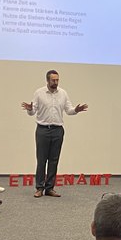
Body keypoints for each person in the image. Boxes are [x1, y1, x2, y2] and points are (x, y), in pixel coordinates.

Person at [21, 69, 88, 198]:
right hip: (43, 130)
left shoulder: (63, 93)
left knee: (54, 160)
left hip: (58, 130)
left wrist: (76, 110)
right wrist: (29, 109)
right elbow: (32, 111)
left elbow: (68, 110)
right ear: (47, 80)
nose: (56, 82)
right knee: (41, 160)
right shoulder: (39, 93)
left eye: (57, 80)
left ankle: (50, 188)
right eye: (53, 80)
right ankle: (39, 188)